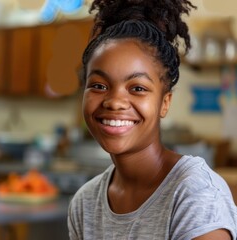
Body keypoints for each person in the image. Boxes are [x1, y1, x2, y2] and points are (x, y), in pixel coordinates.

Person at [68, 0, 237, 239]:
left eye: (137, 88)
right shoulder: (85, 202)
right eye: (98, 85)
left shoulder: (194, 193)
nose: (114, 101)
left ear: (164, 103)